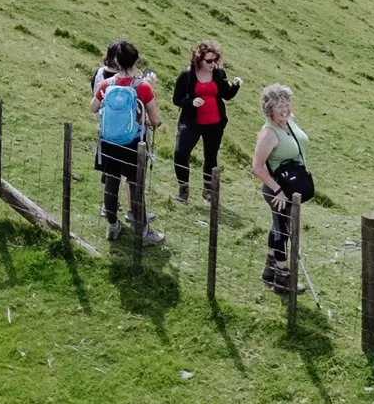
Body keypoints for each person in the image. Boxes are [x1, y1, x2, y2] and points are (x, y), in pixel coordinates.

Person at [93, 41, 163, 245]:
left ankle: (112, 226)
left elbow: (93, 107)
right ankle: (143, 232)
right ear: (136, 61)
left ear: (115, 61)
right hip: (134, 142)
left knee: (111, 182)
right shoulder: (143, 87)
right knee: (135, 185)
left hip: (109, 141)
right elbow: (156, 120)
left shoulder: (107, 84)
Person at [249, 83, 313, 295]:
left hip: (290, 188)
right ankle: (282, 279)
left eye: (286, 104)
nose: (284, 109)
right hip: (278, 191)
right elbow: (257, 167)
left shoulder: (289, 121)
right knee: (282, 231)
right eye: (279, 106)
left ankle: (269, 271)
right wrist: (277, 190)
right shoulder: (268, 133)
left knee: (279, 226)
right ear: (269, 110)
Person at [171, 40, 242, 203]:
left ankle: (208, 190)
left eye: (215, 60)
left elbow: (226, 95)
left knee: (211, 156)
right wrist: (191, 102)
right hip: (191, 122)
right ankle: (183, 189)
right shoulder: (187, 75)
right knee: (180, 153)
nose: (213, 64)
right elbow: (176, 99)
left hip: (215, 123)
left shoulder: (219, 73)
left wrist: (236, 86)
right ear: (199, 60)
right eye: (209, 60)